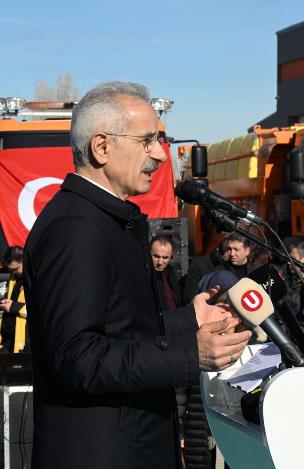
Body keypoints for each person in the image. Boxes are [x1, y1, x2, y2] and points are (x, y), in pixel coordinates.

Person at [23, 82, 252, 469]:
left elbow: (120, 329)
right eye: (147, 140)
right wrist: (188, 353)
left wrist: (188, 320)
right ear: (102, 147)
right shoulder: (76, 229)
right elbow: (77, 356)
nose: (160, 155)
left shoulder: (109, 221)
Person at [181, 236, 229, 304]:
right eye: (229, 249)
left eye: (236, 249)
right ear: (219, 249)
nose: (232, 253)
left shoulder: (231, 263)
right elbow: (190, 294)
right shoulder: (200, 264)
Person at [0, 246, 28, 353]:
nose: (14, 272)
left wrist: (13, 306)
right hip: (6, 342)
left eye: (16, 269)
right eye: (10, 270)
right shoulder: (13, 278)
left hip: (23, 346)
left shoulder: (37, 280)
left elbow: (40, 311)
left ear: (24, 260)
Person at [150, 235, 182, 311]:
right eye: (156, 256)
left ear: (171, 256)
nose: (160, 262)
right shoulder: (143, 276)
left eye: (165, 257)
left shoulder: (170, 272)